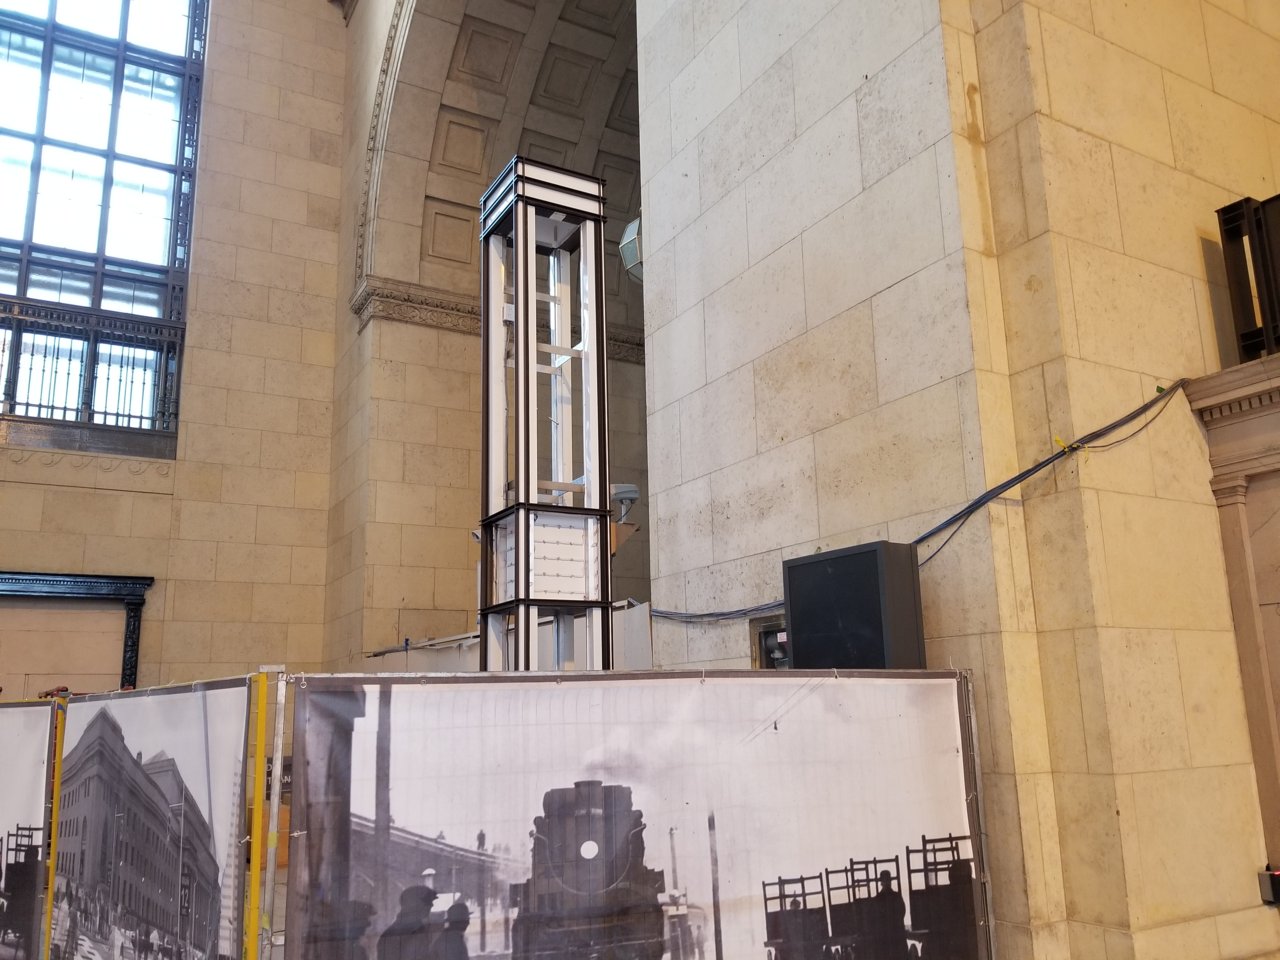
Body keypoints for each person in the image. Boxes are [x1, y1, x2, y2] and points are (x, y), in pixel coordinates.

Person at [377, 887, 438, 960]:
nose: (432, 905)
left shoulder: (415, 929)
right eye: (427, 901)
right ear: (413, 903)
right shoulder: (407, 932)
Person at [868, 871, 907, 960]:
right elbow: (902, 912)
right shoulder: (897, 896)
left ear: (881, 883)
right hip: (897, 935)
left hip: (883, 937)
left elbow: (873, 918)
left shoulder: (877, 899)